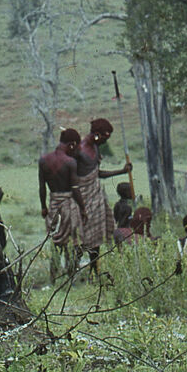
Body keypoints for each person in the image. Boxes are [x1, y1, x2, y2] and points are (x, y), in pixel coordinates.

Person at [75, 118, 132, 276]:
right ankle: (71, 272)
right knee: (81, 237)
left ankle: (94, 272)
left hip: (95, 196)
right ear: (97, 134)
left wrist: (121, 171)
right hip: (81, 198)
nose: (105, 142)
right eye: (105, 139)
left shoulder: (95, 147)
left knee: (96, 236)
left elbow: (97, 174)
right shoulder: (79, 149)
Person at [39, 128, 87, 278]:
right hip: (68, 205)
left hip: (53, 204)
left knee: (55, 239)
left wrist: (44, 207)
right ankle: (70, 274)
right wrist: (83, 209)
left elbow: (41, 187)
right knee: (72, 241)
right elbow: (75, 189)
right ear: (71, 144)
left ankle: (53, 275)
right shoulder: (70, 162)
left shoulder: (43, 160)